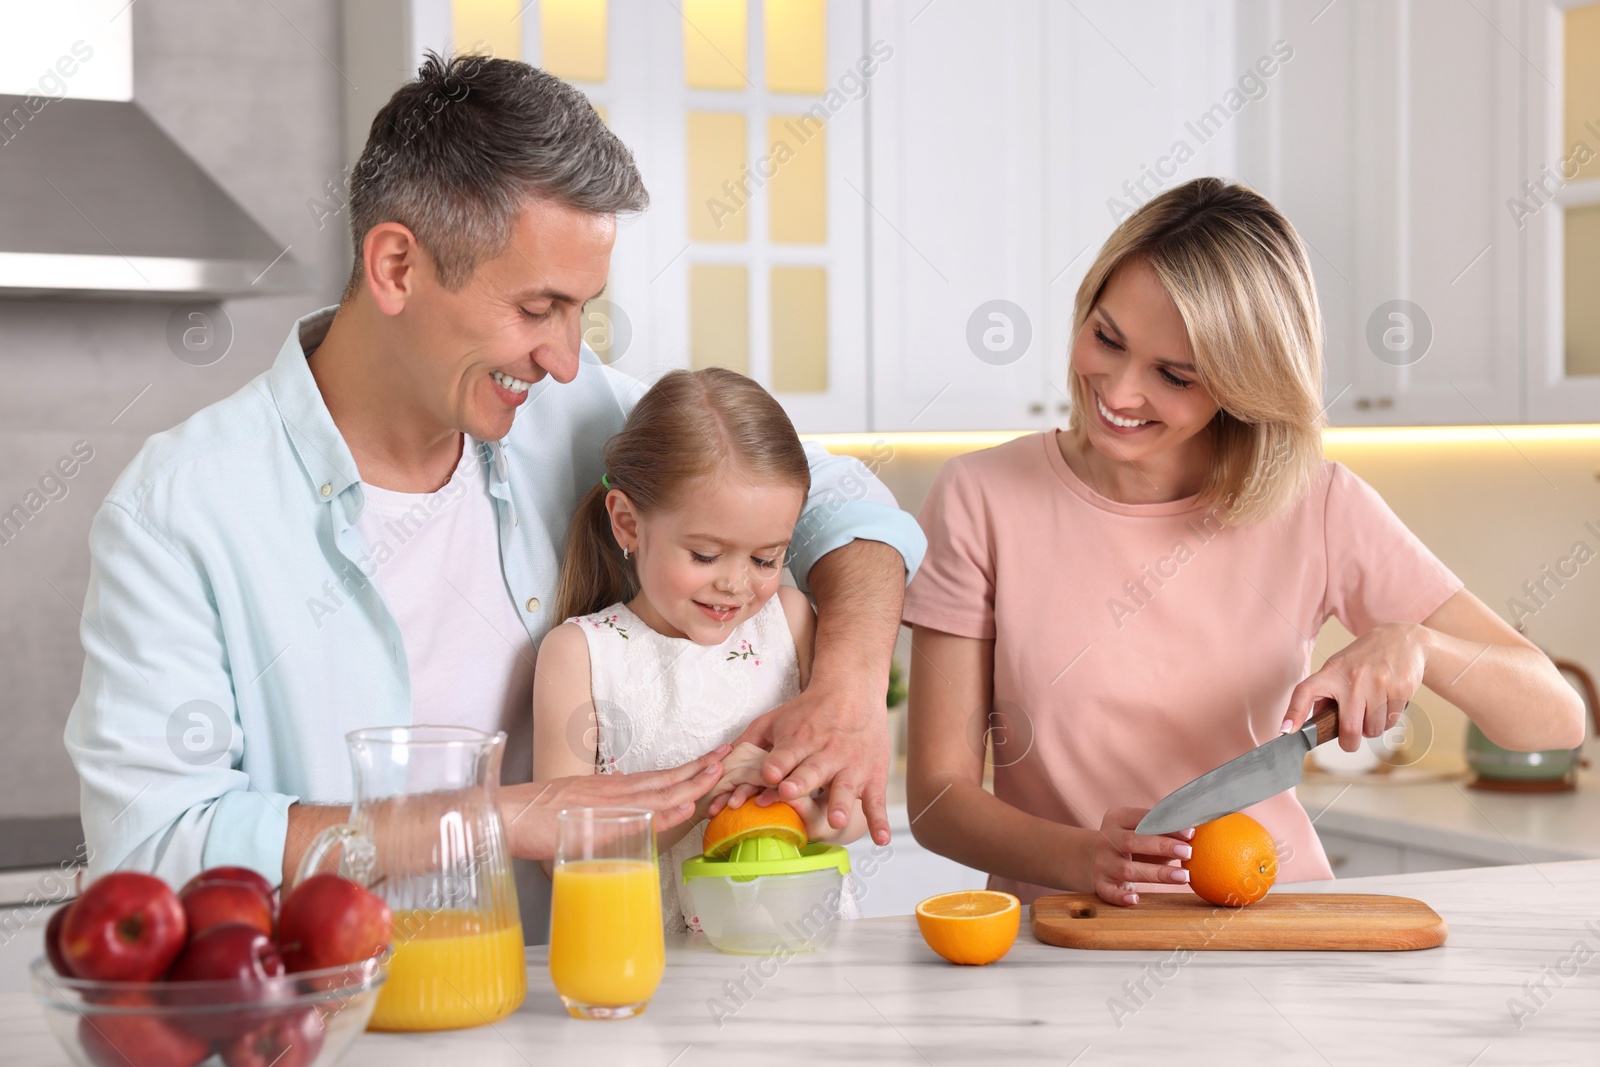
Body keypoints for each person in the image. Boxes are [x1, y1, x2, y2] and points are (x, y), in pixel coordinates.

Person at [63, 55, 922, 931]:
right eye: (537, 308)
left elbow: (842, 501)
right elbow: (153, 847)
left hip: (564, 1014)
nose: (564, 358)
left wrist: (848, 691)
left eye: (580, 312)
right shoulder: (180, 512)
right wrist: (496, 817)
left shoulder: (578, 418)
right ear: (397, 265)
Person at [902, 178, 1585, 908]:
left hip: (1271, 934)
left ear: (1241, 383)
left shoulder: (1318, 504)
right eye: (1107, 337)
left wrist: (1418, 645)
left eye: (1174, 375)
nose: (1121, 391)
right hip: (1066, 943)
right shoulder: (981, 496)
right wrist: (1081, 856)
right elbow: (938, 794)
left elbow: (1556, 716)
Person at [533, 367, 868, 931]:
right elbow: (560, 855)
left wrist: (790, 803)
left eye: (766, 559)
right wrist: (714, 785)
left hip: (802, 946)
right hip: (651, 963)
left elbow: (850, 813)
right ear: (627, 523)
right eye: (706, 556)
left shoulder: (790, 621)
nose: (737, 585)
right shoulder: (579, 654)